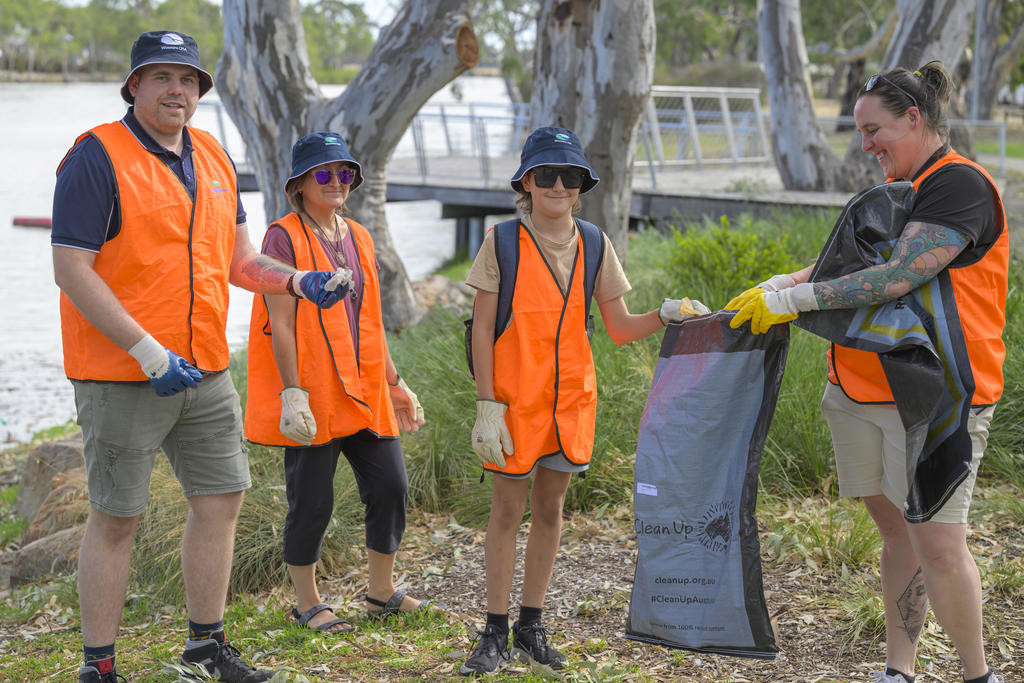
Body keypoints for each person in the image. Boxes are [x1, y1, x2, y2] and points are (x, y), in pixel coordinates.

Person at [52, 31, 351, 683]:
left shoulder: (214, 156)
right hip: (121, 372)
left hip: (206, 369)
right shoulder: (96, 156)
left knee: (221, 500)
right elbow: (72, 269)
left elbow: (242, 261)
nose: (175, 90)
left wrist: (299, 279)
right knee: (118, 517)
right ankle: (98, 666)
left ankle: (205, 649)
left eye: (187, 79)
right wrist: (146, 350)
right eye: (160, 77)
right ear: (134, 86)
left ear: (200, 91)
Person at [726, 62, 1006, 683]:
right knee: (900, 538)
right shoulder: (901, 185)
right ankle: (897, 672)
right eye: (858, 132)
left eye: (874, 129)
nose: (865, 145)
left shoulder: (958, 185)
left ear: (915, 118)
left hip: (935, 402)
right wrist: (784, 282)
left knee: (937, 543)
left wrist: (796, 302)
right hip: (856, 388)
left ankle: (976, 675)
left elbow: (898, 275)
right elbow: (851, 263)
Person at [459, 126, 709, 676]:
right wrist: (486, 404)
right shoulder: (501, 240)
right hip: (510, 404)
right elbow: (481, 328)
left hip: (571, 402)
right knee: (506, 511)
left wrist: (665, 316)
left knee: (550, 510)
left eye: (568, 176)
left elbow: (618, 327)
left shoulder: (594, 242)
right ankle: (494, 630)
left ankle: (531, 624)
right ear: (526, 182)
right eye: (545, 174)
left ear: (580, 186)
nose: (557, 185)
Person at [243, 131, 429, 634]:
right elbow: (279, 321)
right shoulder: (282, 237)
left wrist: (396, 383)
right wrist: (292, 392)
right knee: (313, 498)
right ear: (300, 183)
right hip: (315, 392)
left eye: (344, 173)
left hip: (365, 389)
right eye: (324, 173)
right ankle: (307, 602)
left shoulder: (359, 236)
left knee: (391, 486)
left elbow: (369, 319)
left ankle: (381, 592)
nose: (336, 182)